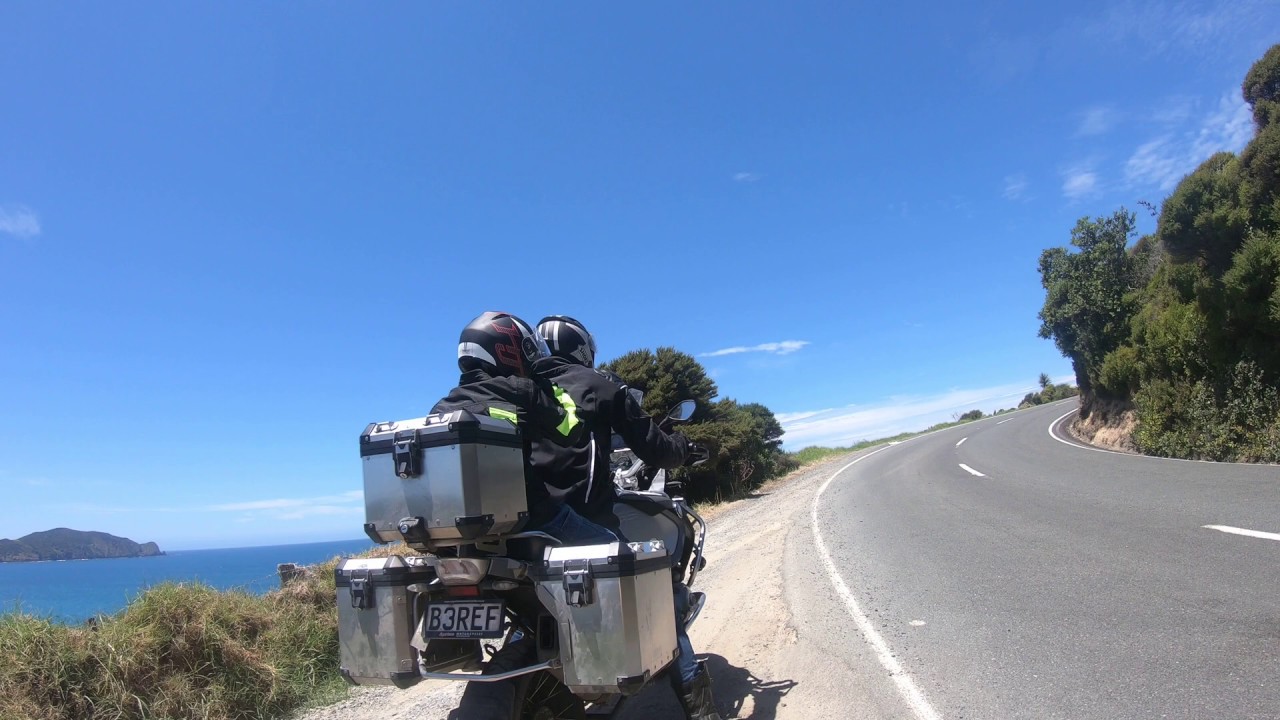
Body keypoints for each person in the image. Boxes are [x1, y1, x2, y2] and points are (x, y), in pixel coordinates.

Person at [531, 315, 722, 720]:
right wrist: (685, 449)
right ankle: (699, 704)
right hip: (579, 517)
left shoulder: (521, 391)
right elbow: (654, 447)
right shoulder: (597, 384)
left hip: (523, 524)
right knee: (657, 583)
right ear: (581, 347)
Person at [429, 311, 617, 545]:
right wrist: (548, 386)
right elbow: (571, 429)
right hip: (533, 517)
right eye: (527, 349)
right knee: (612, 546)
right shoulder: (522, 390)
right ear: (506, 350)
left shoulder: (443, 407)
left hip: (459, 531)